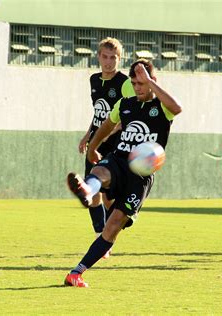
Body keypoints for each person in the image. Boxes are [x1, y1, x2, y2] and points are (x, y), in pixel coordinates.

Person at [64, 59, 182, 287]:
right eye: (135, 83)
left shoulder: (163, 108)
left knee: (114, 225)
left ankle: (76, 273)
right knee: (100, 171)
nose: (138, 87)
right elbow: (106, 126)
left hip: (141, 176)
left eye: (142, 83)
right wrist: (93, 147)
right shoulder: (125, 105)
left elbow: (177, 108)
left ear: (152, 81)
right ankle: (87, 191)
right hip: (120, 159)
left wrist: (150, 82)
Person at [77, 37, 135, 257]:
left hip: (115, 144)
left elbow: (130, 113)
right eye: (105, 57)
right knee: (91, 195)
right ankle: (101, 235)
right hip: (95, 142)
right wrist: (88, 135)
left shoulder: (125, 83)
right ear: (98, 57)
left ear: (120, 59)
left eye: (113, 58)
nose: (109, 62)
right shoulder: (93, 80)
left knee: (108, 196)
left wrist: (111, 130)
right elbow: (98, 113)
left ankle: (116, 225)